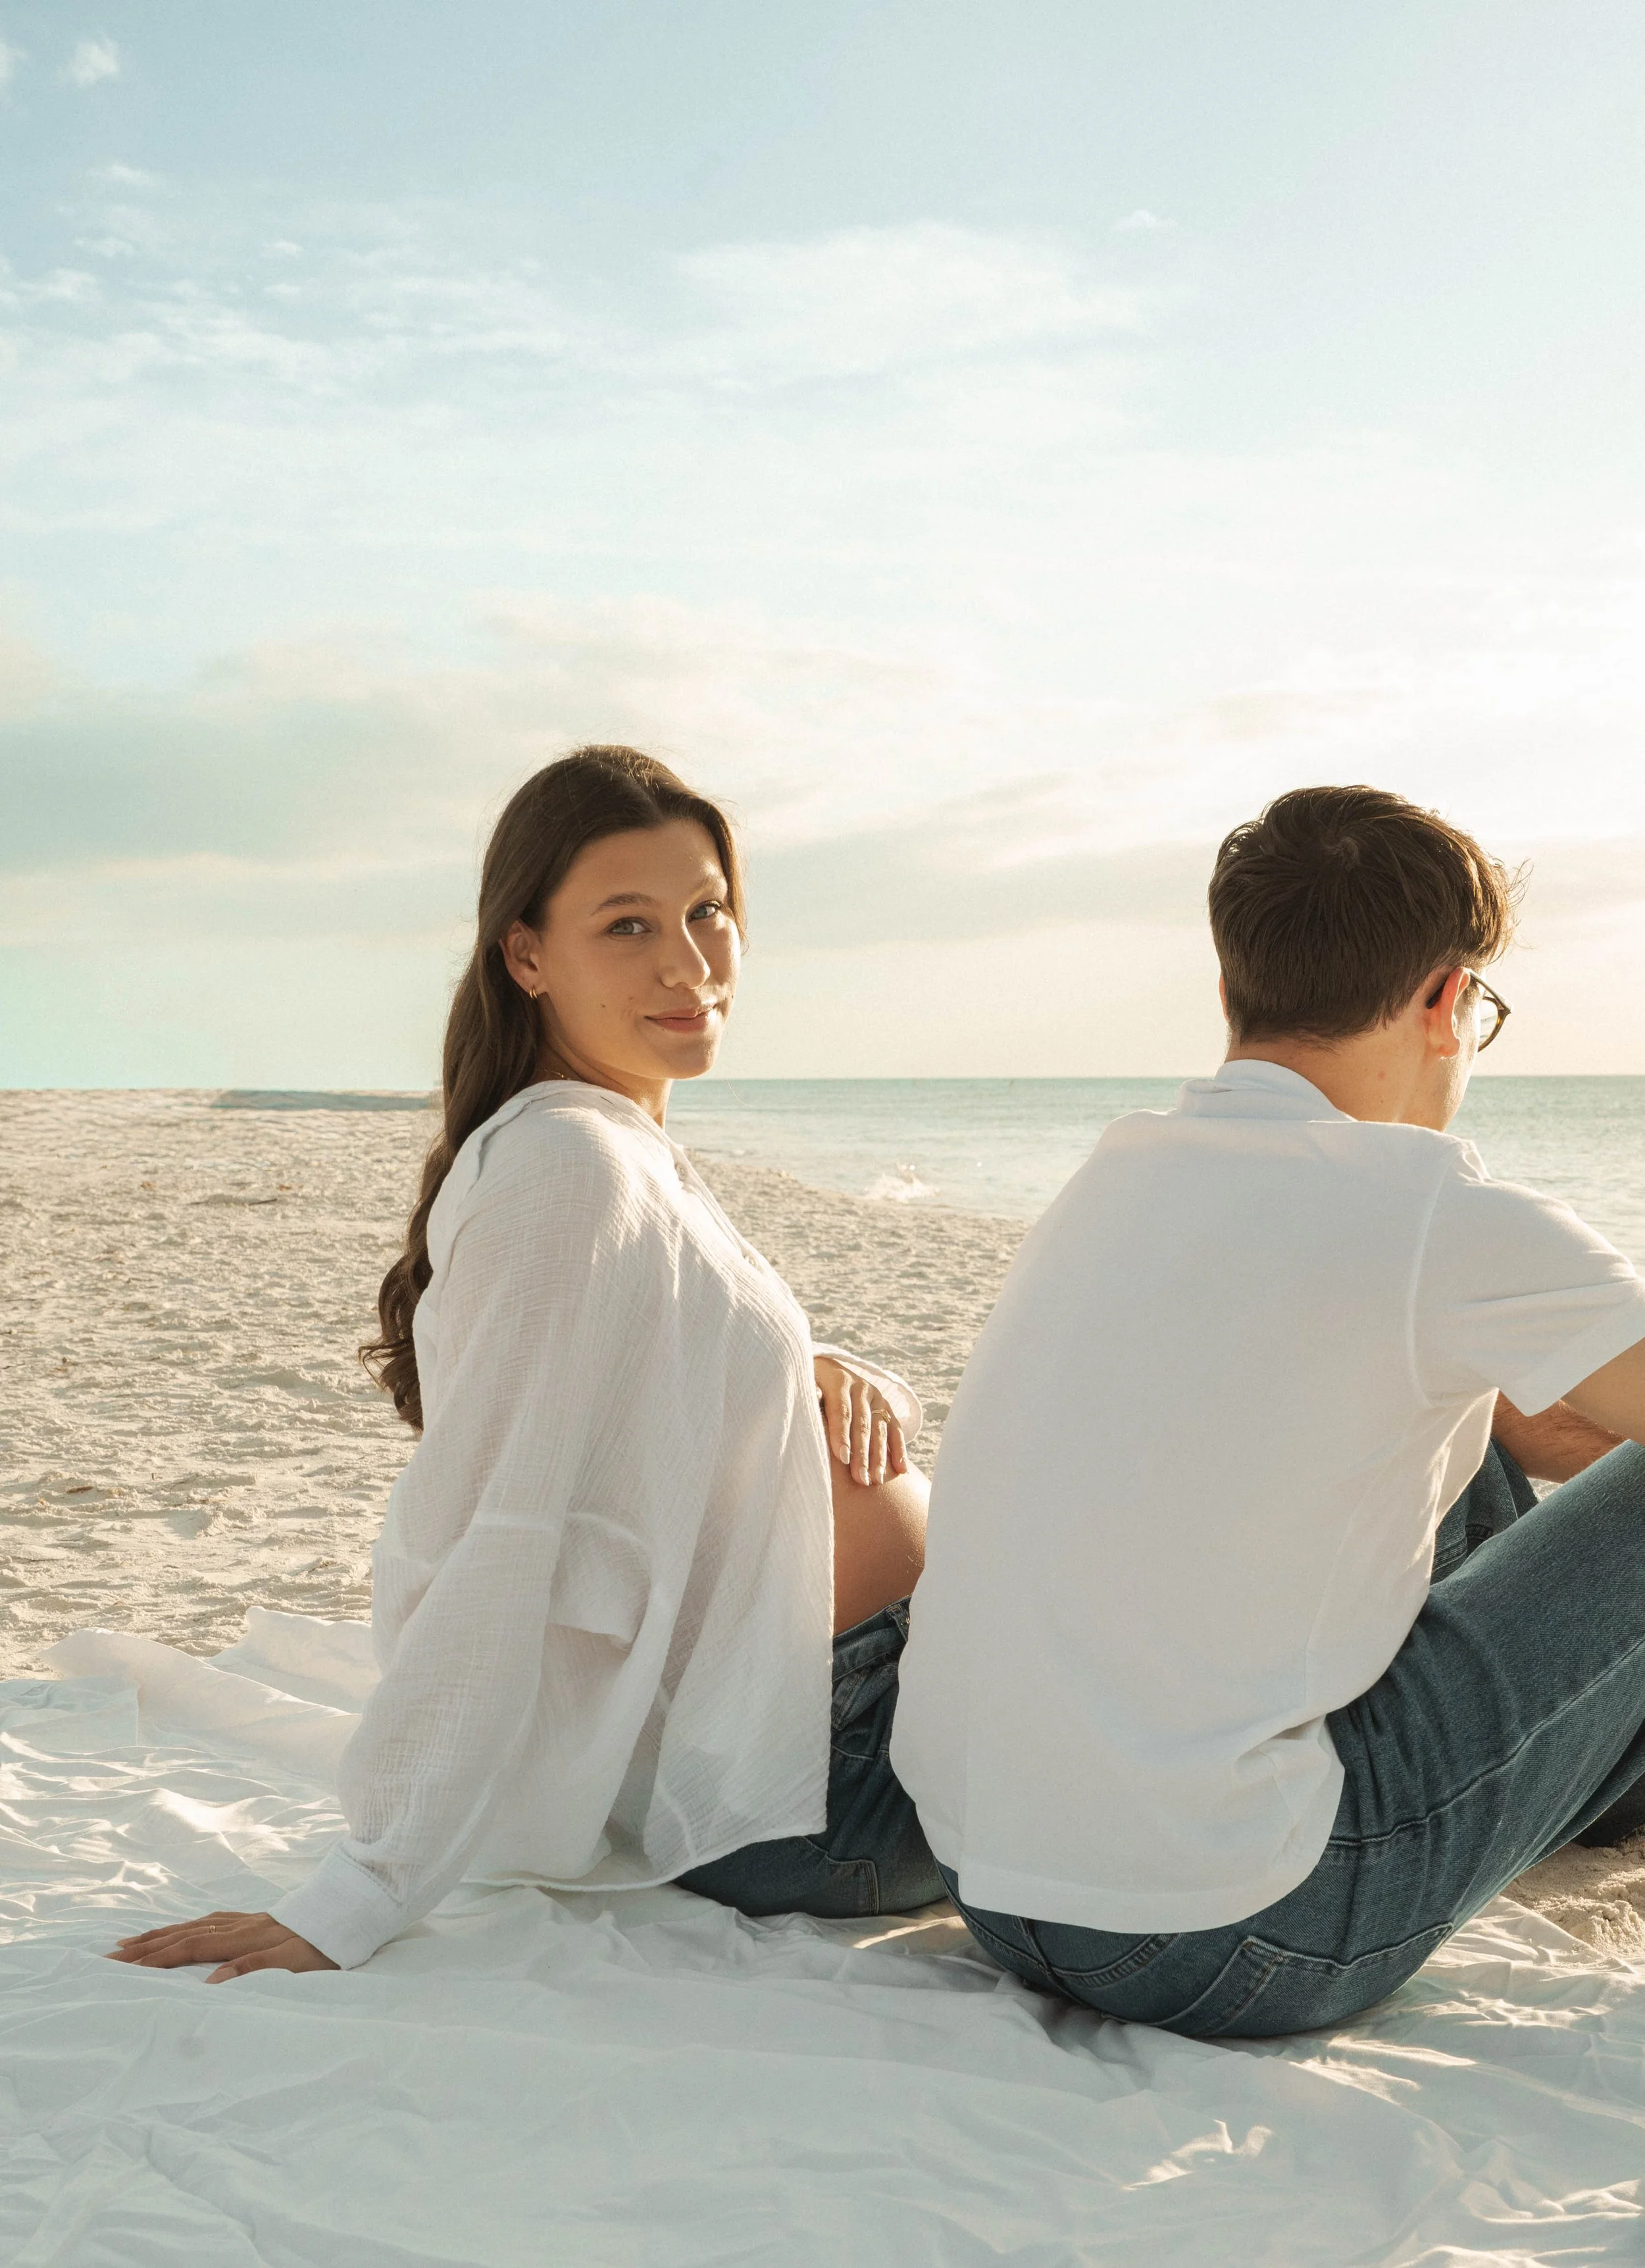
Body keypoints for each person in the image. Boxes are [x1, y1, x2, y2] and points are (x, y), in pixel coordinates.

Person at [111, 746, 940, 1982]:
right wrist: (364, 1890)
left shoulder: (607, 1148)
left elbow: (650, 1396)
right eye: (627, 925)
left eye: (707, 911)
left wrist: (812, 1365)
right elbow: (502, 1540)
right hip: (815, 1779)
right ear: (528, 955)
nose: (687, 961)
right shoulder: (570, 1174)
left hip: (816, 1729)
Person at [892, 785, 1645, 2039]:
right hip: (1239, 1930)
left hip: (997, 1886)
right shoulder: (1429, 1210)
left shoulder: (1117, 1176)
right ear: (1448, 1000)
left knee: (1471, 1449)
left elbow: (1549, 1431)